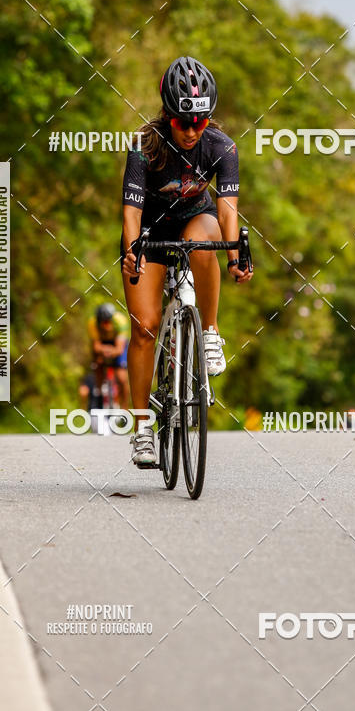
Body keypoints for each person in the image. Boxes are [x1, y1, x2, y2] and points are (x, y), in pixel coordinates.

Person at [121, 56, 253, 465]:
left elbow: (228, 210)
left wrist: (235, 256)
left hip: (197, 221)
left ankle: (210, 331)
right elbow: (131, 211)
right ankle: (143, 427)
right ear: (167, 115)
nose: (193, 130)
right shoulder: (145, 145)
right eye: (183, 122)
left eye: (201, 120)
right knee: (145, 327)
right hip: (151, 233)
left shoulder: (221, 146)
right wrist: (131, 252)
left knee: (203, 237)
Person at [78, 303, 130, 412]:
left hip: (117, 343)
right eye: (102, 322)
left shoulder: (120, 321)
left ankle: (125, 407)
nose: (105, 325)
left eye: (107, 322)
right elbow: (96, 347)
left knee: (121, 377)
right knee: (97, 364)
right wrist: (103, 353)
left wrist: (109, 351)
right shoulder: (93, 323)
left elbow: (119, 349)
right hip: (103, 342)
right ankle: (99, 394)